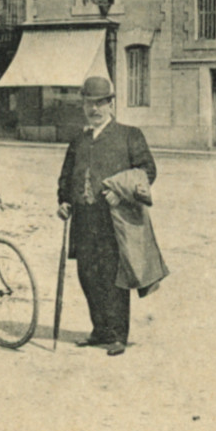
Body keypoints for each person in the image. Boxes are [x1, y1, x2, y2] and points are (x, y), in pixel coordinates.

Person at [56, 75, 158, 356]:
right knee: (87, 274)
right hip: (83, 218)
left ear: (111, 105)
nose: (95, 110)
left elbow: (148, 170)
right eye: (89, 104)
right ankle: (99, 329)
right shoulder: (78, 140)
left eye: (100, 103)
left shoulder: (129, 135)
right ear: (83, 106)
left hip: (114, 219)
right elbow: (66, 178)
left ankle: (117, 335)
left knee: (113, 276)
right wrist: (64, 201)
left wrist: (123, 192)